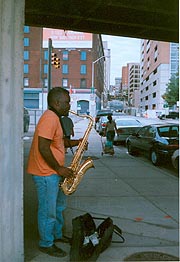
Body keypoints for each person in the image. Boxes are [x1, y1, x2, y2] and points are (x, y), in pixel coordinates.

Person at [27, 87, 82, 258]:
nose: (69, 105)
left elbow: (57, 144)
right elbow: (43, 147)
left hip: (54, 173)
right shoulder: (49, 118)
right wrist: (59, 168)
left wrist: (78, 142)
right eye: (67, 102)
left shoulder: (55, 118)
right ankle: (46, 243)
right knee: (48, 210)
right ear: (56, 103)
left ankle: (57, 236)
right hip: (46, 173)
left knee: (58, 207)